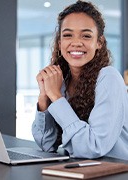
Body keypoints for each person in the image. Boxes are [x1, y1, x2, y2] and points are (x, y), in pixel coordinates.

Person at [32, 0, 128, 160]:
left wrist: (56, 97)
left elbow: (92, 148)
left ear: (99, 42)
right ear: (60, 42)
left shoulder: (109, 77)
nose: (76, 43)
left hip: (116, 172)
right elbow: (46, 145)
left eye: (86, 35)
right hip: (81, 170)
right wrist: (44, 97)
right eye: (68, 35)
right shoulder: (62, 80)